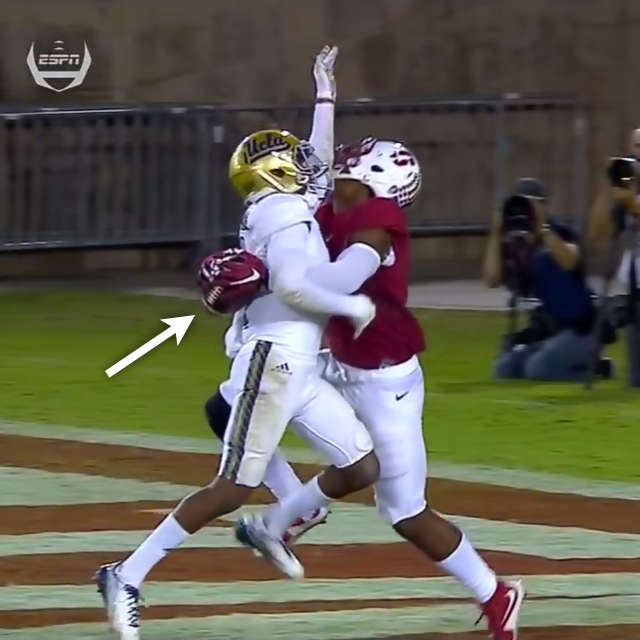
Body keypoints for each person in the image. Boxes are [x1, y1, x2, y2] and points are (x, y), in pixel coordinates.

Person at [94, 46, 382, 640]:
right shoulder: (282, 213)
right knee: (232, 486)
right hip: (275, 360)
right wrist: (351, 304)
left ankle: (274, 525)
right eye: (292, 160)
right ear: (275, 173)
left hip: (298, 365)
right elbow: (296, 287)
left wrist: (324, 95)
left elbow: (319, 159)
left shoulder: (283, 204)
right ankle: (126, 573)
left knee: (360, 465)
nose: (306, 164)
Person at [209, 138, 524, 640]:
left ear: (373, 179)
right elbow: (312, 170)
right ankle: (292, 510)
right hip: (336, 359)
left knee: (403, 510)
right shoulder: (339, 206)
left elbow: (339, 278)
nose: (338, 170)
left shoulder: (377, 221)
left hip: (384, 380)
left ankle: (495, 593)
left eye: (350, 166)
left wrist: (273, 277)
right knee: (228, 401)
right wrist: (325, 96)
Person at [484, 177, 597, 381]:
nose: (525, 212)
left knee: (538, 368)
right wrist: (495, 233)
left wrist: (542, 229)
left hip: (581, 330)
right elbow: (492, 279)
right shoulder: (514, 242)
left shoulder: (560, 232)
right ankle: (572, 361)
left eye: (530, 204)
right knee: (503, 370)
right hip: (545, 330)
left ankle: (597, 367)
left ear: (543, 206)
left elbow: (570, 260)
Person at [589, 128, 640, 387]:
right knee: (636, 381)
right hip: (633, 289)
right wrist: (606, 188)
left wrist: (632, 206)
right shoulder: (628, 190)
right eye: (636, 147)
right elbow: (599, 234)